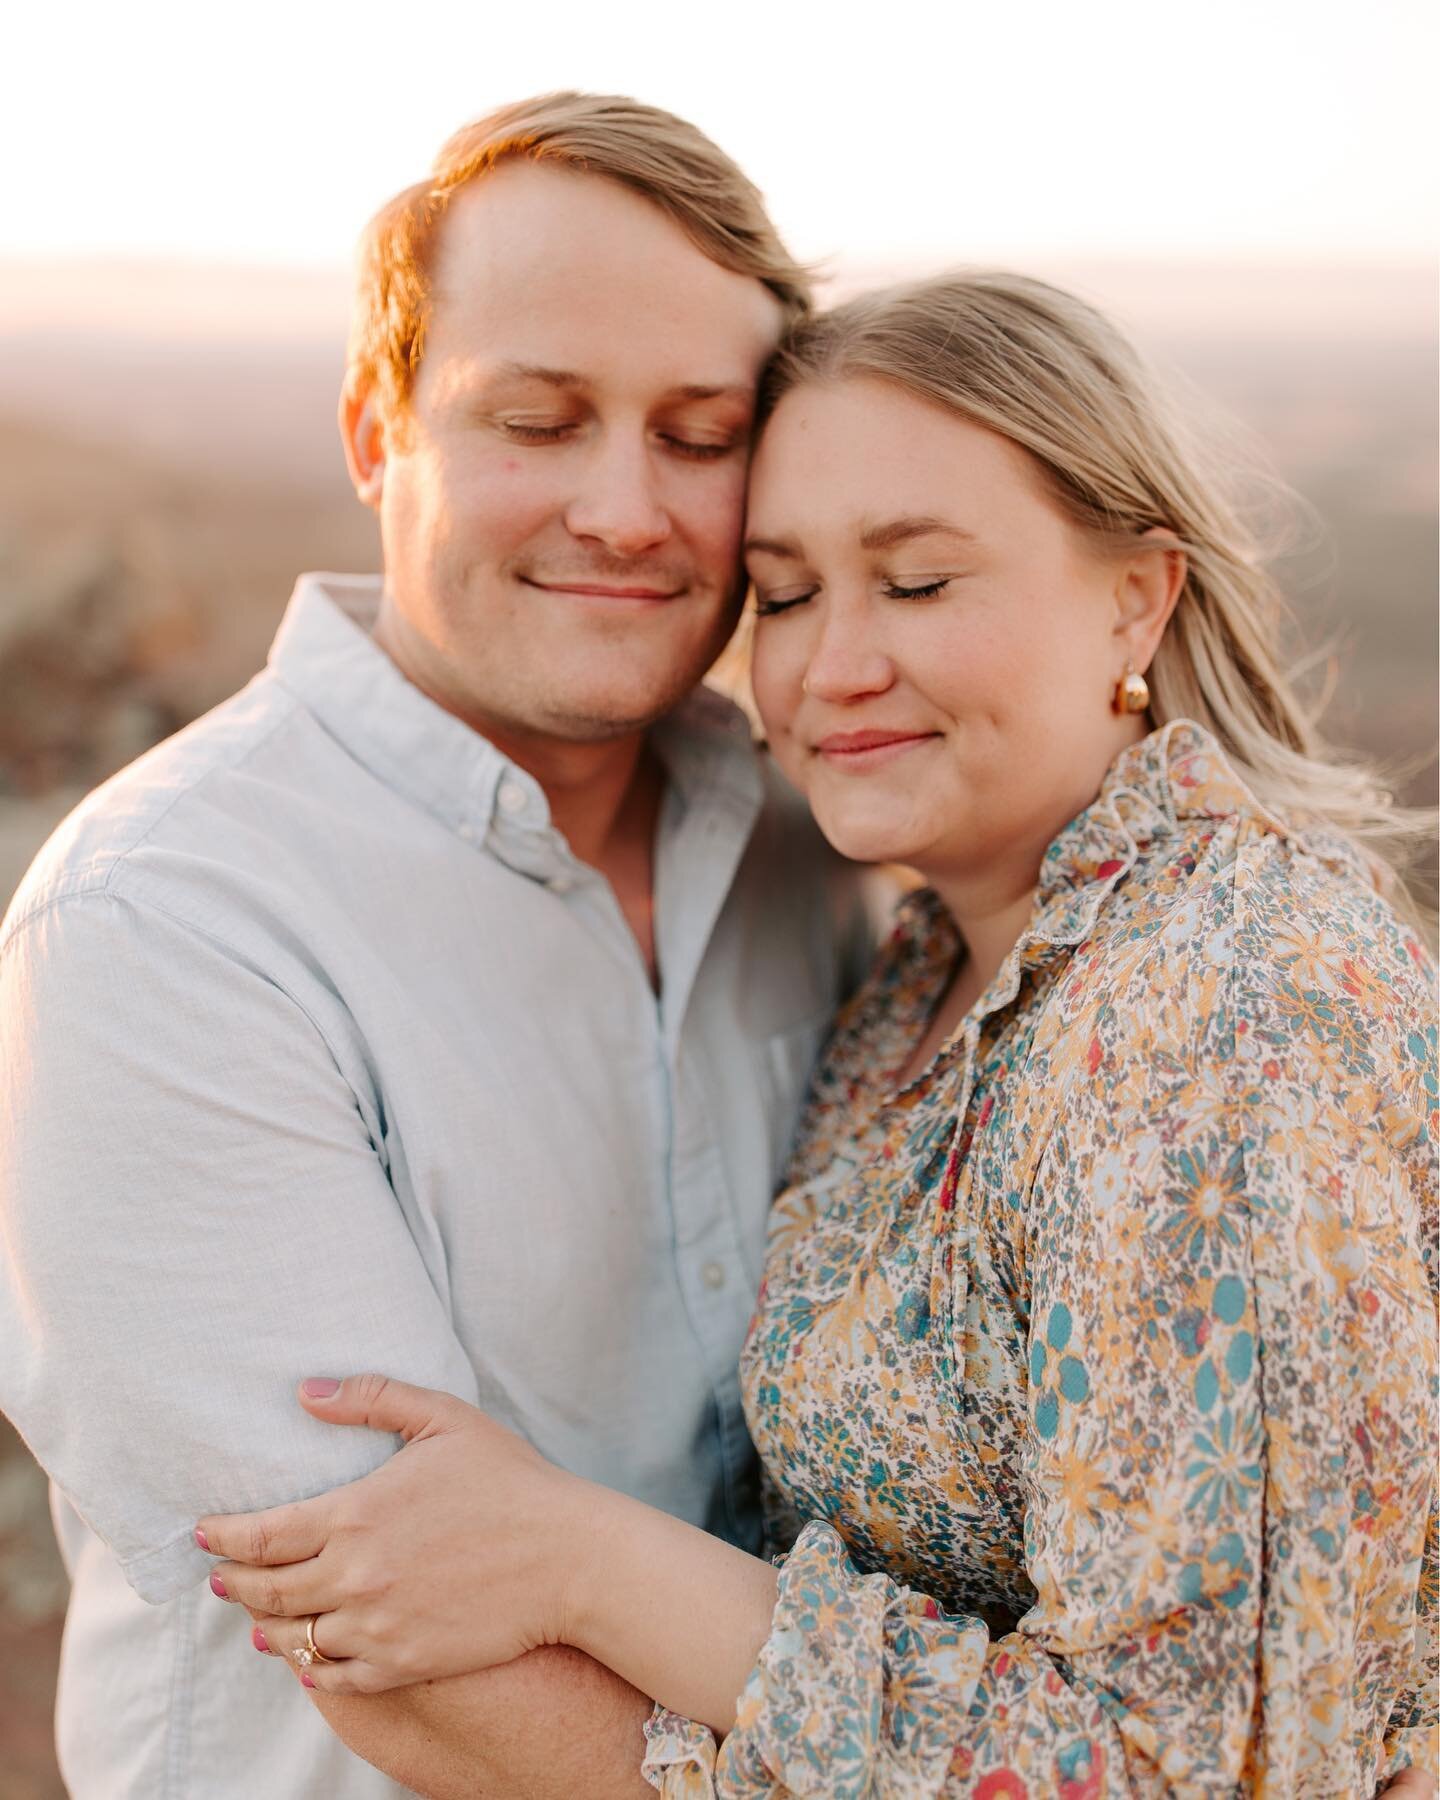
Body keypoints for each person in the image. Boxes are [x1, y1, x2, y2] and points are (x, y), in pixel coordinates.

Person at [200, 272, 1438, 1797]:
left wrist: (583, 1568)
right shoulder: (933, 962)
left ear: (1138, 593)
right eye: (784, 595)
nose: (831, 668)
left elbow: (1210, 1773)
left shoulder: (1221, 1019)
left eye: (916, 583)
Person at [0, 94, 869, 1798]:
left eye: (699, 435)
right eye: (536, 420)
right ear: (374, 427)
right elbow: (403, 1669)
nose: (625, 510)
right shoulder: (170, 927)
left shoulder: (798, 840)